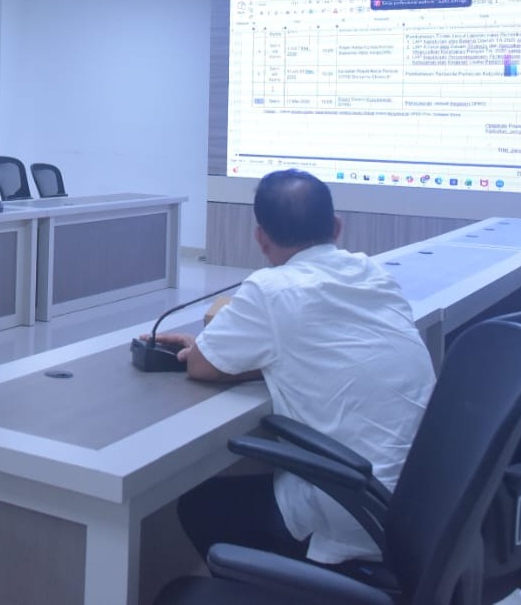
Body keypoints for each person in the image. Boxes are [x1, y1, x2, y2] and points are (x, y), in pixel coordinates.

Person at [146, 169, 434, 567]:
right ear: (337, 227)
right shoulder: (375, 275)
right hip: (421, 502)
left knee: (200, 506)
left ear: (260, 238)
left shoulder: (270, 289)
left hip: (354, 510)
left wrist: (212, 351)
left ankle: (290, 586)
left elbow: (200, 366)